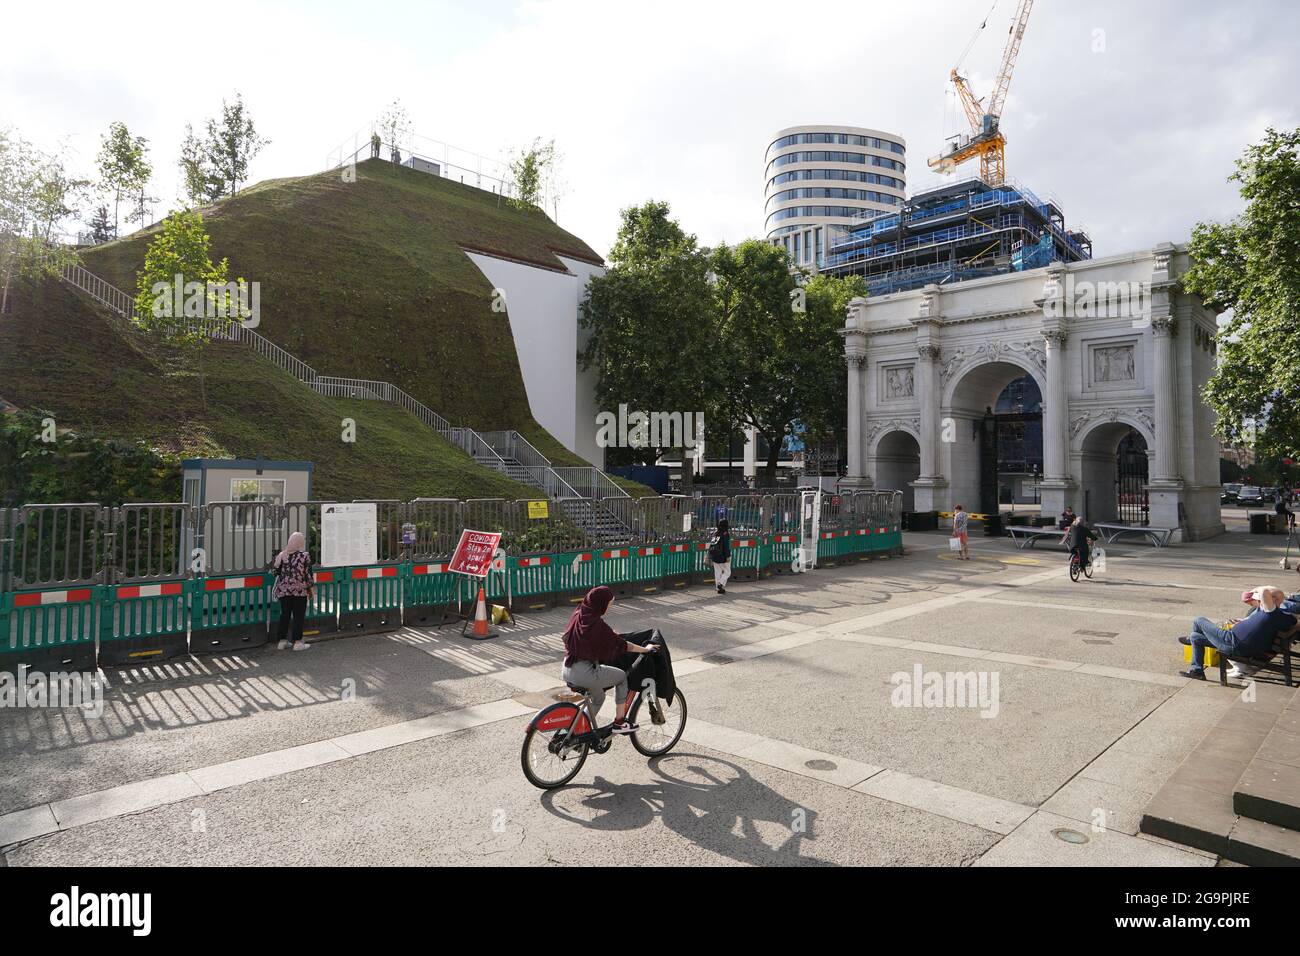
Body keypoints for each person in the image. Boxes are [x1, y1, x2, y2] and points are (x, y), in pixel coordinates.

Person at [561, 586, 658, 733]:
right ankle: (619, 722)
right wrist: (646, 649)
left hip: (567, 668)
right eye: (609, 604)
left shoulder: (579, 614)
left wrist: (609, 635)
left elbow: (583, 637)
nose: (609, 607)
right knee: (621, 677)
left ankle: (577, 732)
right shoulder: (597, 624)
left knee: (598, 698)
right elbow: (625, 646)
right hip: (585, 673)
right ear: (601, 604)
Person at [1179, 586, 1297, 680]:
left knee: (1199, 620)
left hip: (1234, 643)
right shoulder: (1284, 617)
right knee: (1196, 637)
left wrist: (1256, 590)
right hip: (1242, 645)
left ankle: (1189, 641)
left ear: (1272, 600)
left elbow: (1264, 591)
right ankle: (1197, 670)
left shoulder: (1271, 613)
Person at [273, 532, 315, 651]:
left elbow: (275, 572)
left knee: (284, 615)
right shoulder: (304, 556)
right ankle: (297, 642)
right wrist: (311, 590)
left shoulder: (281, 555)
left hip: (283, 591)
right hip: (299, 591)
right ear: (300, 543)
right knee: (298, 616)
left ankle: (282, 641)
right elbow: (308, 575)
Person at [709, 518, 732, 593]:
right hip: (723, 556)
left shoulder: (715, 533)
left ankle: (718, 588)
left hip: (715, 555)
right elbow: (726, 546)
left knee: (717, 572)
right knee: (727, 572)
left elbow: (711, 544)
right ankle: (720, 584)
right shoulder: (725, 534)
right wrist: (728, 556)